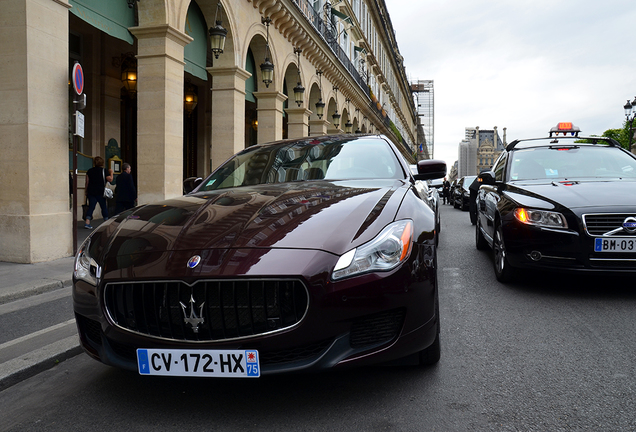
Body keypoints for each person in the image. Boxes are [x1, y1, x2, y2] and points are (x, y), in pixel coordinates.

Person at [84, 156, 113, 229]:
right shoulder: (103, 171)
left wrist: (86, 191)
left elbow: (87, 182)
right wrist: (111, 172)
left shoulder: (89, 171)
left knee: (91, 207)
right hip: (100, 191)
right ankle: (106, 222)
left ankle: (87, 222)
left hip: (91, 191)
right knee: (103, 207)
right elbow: (110, 179)